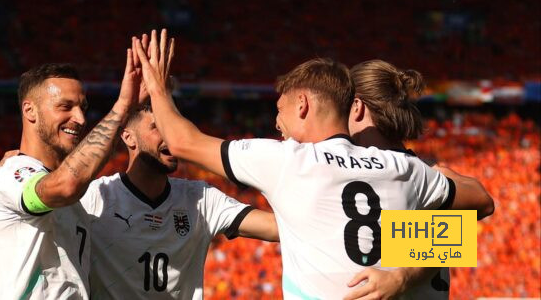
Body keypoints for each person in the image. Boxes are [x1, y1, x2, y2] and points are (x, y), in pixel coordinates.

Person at [134, 39, 493, 299]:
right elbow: (476, 210)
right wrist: (404, 267)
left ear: (353, 108)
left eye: (280, 110)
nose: (277, 123)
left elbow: (185, 142)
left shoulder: (291, 161)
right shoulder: (412, 170)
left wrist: (157, 88)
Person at [0, 46, 148, 299]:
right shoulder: (10, 175)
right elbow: (65, 184)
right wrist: (122, 106)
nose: (80, 118)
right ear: (29, 111)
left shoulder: (77, 200)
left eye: (83, 107)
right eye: (65, 106)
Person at [80, 103, 279, 299]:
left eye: (171, 126)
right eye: (157, 127)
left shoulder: (201, 198)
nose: (169, 135)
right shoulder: (96, 197)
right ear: (128, 137)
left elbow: (274, 227)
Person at [343, 59, 494, 300]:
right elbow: (463, 226)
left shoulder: (406, 175)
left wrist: (401, 275)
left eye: (341, 108)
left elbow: (482, 204)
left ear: (357, 106)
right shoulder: (422, 172)